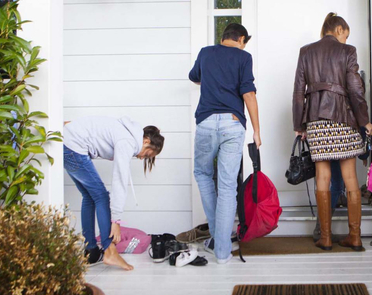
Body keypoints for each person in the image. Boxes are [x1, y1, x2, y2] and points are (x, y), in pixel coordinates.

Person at [293, 12, 372, 251]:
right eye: (346, 35)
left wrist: (299, 125)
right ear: (338, 29)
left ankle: (326, 237)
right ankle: (355, 237)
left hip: (316, 121)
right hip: (343, 119)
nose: (346, 40)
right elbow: (356, 89)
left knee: (323, 178)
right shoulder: (347, 52)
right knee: (350, 179)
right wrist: (364, 120)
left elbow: (298, 91)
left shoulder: (306, 51)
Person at [189, 23, 261, 264]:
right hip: (232, 124)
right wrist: (256, 131)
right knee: (228, 186)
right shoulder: (243, 57)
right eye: (244, 42)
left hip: (207, 122)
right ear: (240, 39)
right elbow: (248, 94)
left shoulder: (205, 53)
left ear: (223, 38)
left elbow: (195, 78)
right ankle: (222, 251)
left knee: (202, 173)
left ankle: (217, 235)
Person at [63, 116, 165, 271]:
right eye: (146, 155)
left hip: (67, 145)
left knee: (89, 197)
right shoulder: (127, 141)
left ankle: (90, 251)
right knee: (101, 196)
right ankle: (109, 250)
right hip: (73, 148)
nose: (141, 158)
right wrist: (116, 221)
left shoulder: (125, 132)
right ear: (145, 141)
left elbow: (91, 125)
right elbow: (120, 180)